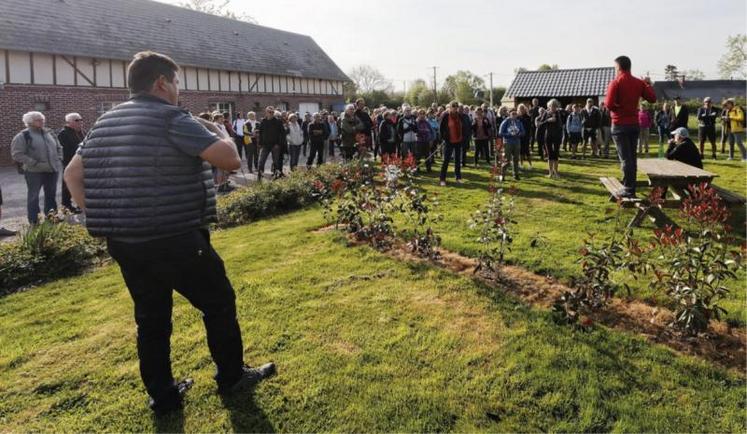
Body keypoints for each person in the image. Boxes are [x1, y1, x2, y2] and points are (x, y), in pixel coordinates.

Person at [63, 51, 274, 415]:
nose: (179, 90)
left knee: (151, 317)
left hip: (125, 243)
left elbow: (72, 175)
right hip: (175, 238)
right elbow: (230, 160)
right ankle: (231, 377)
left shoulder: (104, 122)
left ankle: (163, 396)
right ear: (161, 82)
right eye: (177, 82)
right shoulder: (171, 117)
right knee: (218, 303)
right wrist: (217, 129)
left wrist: (100, 215)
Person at [605, 55, 657, 198]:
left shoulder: (615, 83)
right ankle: (631, 186)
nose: (614, 70)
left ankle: (628, 188)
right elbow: (652, 98)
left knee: (625, 158)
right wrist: (648, 84)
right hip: (634, 124)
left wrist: (619, 107)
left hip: (619, 124)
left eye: (615, 67)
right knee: (632, 157)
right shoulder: (639, 83)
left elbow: (608, 105)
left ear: (619, 67)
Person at [11, 111, 63, 224]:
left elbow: (59, 147)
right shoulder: (23, 136)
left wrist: (58, 158)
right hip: (34, 171)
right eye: (38, 119)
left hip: (52, 170)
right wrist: (33, 162)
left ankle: (51, 216)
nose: (42, 121)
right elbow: (17, 154)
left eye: (42, 119)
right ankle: (34, 219)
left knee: (51, 194)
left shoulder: (49, 133)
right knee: (33, 196)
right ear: (30, 122)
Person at [58, 112, 85, 212]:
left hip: (82, 162)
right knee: (67, 185)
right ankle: (66, 205)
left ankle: (80, 203)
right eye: (77, 120)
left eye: (81, 119)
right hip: (70, 162)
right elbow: (64, 150)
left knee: (82, 184)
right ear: (68, 122)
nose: (80, 122)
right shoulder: (63, 133)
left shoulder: (82, 132)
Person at [439, 101, 465, 186]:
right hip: (449, 141)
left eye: (456, 106)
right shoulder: (446, 116)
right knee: (446, 160)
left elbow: (463, 127)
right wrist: (444, 138)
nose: (455, 108)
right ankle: (442, 179)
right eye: (453, 106)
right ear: (450, 107)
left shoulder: (460, 116)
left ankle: (458, 177)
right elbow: (441, 128)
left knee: (457, 160)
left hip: (458, 141)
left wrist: (463, 137)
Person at [536, 99, 564, 178]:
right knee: (549, 155)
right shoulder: (545, 114)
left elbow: (561, 125)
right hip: (548, 136)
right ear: (549, 106)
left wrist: (556, 120)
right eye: (552, 106)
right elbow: (540, 124)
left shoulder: (559, 113)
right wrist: (548, 120)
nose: (554, 107)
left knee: (556, 154)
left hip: (557, 136)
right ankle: (550, 173)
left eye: (555, 106)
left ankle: (556, 172)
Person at [257, 106, 285, 180]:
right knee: (261, 161)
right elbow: (260, 133)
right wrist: (260, 143)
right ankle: (260, 176)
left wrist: (278, 144)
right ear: (266, 112)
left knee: (276, 162)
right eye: (269, 112)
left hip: (275, 145)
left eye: (272, 112)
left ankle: (276, 176)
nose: (271, 113)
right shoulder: (263, 121)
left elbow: (282, 134)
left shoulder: (278, 122)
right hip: (265, 145)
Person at [498, 108, 525, 180]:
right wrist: (509, 134)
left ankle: (516, 175)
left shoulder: (519, 122)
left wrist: (519, 134)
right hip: (508, 142)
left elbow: (523, 132)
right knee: (507, 160)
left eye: (515, 114)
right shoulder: (505, 121)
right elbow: (500, 133)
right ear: (509, 114)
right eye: (512, 114)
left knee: (516, 159)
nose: (514, 115)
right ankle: (502, 175)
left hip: (517, 142)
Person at [517, 104, 533, 168]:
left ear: (525, 109)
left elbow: (529, 127)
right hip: (519, 136)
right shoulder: (517, 117)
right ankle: (521, 164)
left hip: (526, 136)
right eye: (520, 109)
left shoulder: (528, 117)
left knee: (526, 150)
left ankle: (530, 165)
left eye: (522, 108)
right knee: (520, 150)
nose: (521, 110)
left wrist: (529, 135)